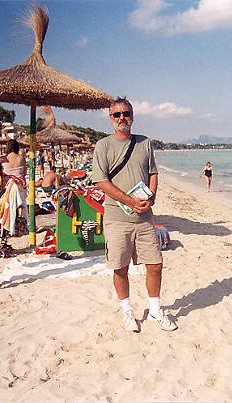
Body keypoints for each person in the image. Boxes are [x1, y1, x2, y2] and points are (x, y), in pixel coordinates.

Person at [92, 97, 177, 332]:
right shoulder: (104, 146)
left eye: (126, 114)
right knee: (120, 268)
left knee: (155, 265)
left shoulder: (145, 143)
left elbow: (153, 173)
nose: (122, 118)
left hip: (145, 218)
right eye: (117, 114)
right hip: (117, 218)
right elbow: (101, 181)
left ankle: (155, 310)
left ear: (133, 116)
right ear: (110, 118)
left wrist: (151, 198)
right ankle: (127, 310)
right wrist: (129, 200)